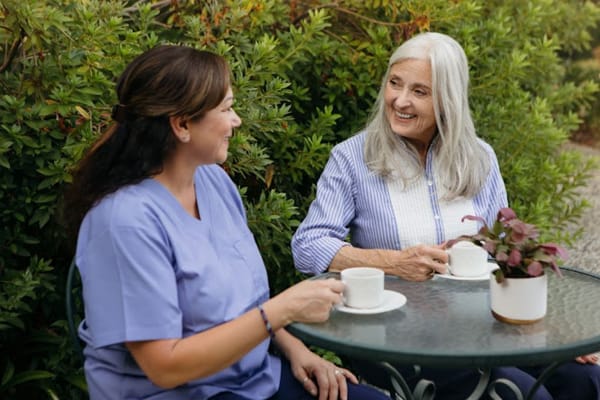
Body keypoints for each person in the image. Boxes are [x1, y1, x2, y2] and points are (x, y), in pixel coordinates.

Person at [63, 45, 391, 400]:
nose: (236, 121)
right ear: (182, 124)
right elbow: (164, 367)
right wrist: (280, 311)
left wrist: (298, 351)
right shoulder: (123, 223)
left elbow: (245, 306)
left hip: (252, 379)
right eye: (227, 108)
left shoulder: (213, 182)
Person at [291, 32, 600, 399]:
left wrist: (553, 331)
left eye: (420, 92)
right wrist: (394, 262)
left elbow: (505, 250)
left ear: (448, 100)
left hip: (483, 327)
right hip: (399, 338)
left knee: (586, 379)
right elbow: (307, 247)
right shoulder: (352, 159)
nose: (400, 101)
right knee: (524, 395)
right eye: (395, 84)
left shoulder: (479, 156)